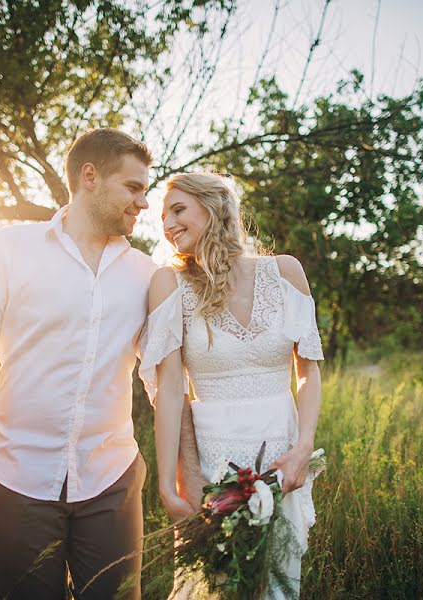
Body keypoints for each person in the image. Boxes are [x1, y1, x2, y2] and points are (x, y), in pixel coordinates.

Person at [0, 128, 157, 599]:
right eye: (133, 188)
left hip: (112, 481)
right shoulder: (9, 249)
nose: (143, 203)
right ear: (89, 177)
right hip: (15, 481)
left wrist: (189, 471)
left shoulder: (146, 275)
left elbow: (164, 382)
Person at [139, 172, 324, 598]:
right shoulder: (169, 284)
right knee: (214, 585)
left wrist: (302, 450)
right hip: (212, 462)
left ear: (216, 206)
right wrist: (169, 484)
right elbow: (170, 390)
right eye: (162, 217)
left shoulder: (285, 273)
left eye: (178, 210)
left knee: (277, 583)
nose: (166, 225)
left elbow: (308, 371)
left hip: (281, 458)